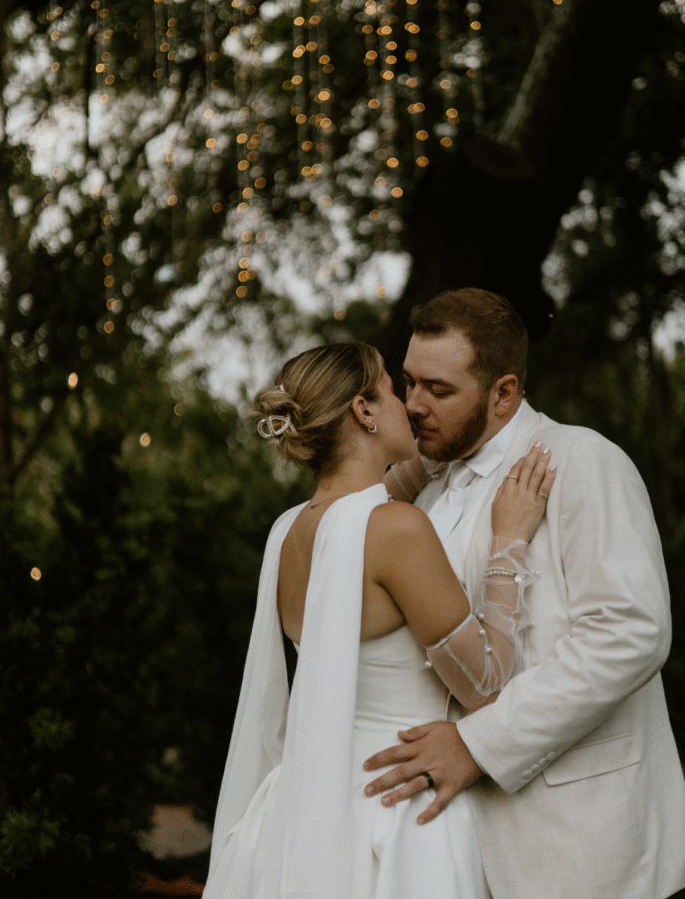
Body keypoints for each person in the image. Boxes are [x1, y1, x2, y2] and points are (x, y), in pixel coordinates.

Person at [363, 288, 685, 899]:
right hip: (454, 845)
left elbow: (630, 634)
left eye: (439, 390)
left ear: (505, 392)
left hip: (583, 843)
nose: (414, 405)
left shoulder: (583, 461)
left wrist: (477, 743)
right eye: (409, 382)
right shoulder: (425, 485)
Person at [203, 341, 557, 899]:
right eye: (393, 390)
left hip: (300, 811)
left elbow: (360, 502)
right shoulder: (395, 530)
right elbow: (486, 685)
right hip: (393, 813)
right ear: (364, 412)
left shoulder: (290, 532)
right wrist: (509, 542)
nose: (411, 406)